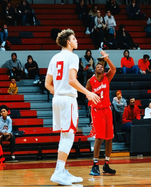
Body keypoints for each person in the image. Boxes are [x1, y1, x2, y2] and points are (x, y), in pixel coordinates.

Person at [45, 29, 100, 185]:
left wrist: (59, 92)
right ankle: (58, 172)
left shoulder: (54, 58)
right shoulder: (73, 57)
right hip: (67, 100)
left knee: (65, 136)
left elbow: (47, 84)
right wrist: (87, 93)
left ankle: (61, 171)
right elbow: (71, 80)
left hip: (57, 99)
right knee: (69, 136)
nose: (77, 40)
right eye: (74, 38)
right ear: (68, 41)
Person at [87, 51, 117, 176]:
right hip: (96, 111)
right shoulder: (91, 81)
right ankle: (94, 165)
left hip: (107, 110)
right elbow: (86, 94)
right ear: (95, 69)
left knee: (109, 138)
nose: (100, 66)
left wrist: (107, 59)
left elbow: (113, 68)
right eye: (98, 66)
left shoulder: (107, 77)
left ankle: (106, 164)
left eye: (102, 65)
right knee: (99, 138)